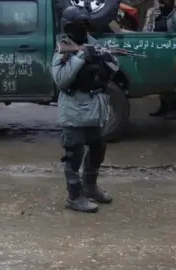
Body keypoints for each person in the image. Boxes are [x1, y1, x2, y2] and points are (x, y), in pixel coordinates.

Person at [51, 6, 116, 213]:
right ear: (69, 26)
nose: (83, 28)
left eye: (85, 24)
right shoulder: (63, 47)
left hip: (94, 110)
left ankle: (90, 187)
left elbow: (114, 65)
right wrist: (81, 58)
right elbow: (61, 80)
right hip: (73, 111)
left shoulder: (91, 42)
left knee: (98, 149)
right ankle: (74, 196)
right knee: (74, 154)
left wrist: (103, 59)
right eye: (79, 24)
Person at [149, 0, 176, 120]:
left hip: (172, 56)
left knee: (171, 83)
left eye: (163, 3)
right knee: (161, 82)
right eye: (159, 4)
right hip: (160, 55)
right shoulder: (161, 16)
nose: (160, 6)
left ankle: (173, 109)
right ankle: (164, 107)